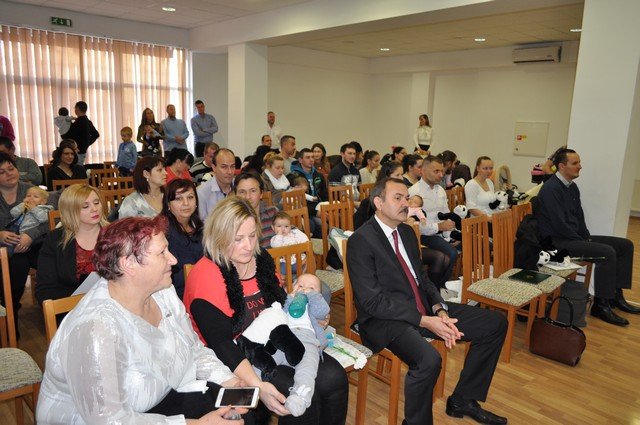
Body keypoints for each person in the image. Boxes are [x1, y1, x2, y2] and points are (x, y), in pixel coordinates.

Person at [36, 216, 246, 424]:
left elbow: (193, 348)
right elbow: (109, 420)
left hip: (163, 397)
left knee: (245, 414)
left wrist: (227, 380)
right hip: (102, 419)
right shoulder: (95, 329)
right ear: (129, 264)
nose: (173, 260)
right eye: (162, 253)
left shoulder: (162, 291)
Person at [347, 177, 508, 425]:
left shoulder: (407, 232)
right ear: (378, 202)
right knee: (428, 361)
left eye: (406, 197)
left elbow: (422, 279)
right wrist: (424, 320)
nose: (406, 203)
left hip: (422, 308)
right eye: (398, 198)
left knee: (495, 323)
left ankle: (463, 399)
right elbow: (372, 302)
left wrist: (439, 309)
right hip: (385, 319)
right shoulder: (361, 240)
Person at [183, 196, 349, 425]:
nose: (249, 246)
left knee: (335, 378)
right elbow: (222, 345)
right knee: (297, 397)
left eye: (252, 236)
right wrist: (258, 385)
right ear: (218, 237)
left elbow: (281, 303)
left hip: (276, 339)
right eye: (238, 239)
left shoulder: (260, 259)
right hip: (238, 355)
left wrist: (309, 317)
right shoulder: (205, 276)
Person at [536, 148, 640, 326]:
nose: (580, 166)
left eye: (579, 162)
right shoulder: (551, 189)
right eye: (575, 163)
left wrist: (586, 237)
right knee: (606, 252)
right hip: (557, 243)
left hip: (571, 238)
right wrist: (582, 241)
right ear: (562, 166)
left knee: (625, 245)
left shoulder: (572, 187)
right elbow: (559, 225)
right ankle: (601, 305)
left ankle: (616, 297)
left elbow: (579, 218)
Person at [35, 184, 107, 304]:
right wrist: (83, 298)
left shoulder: (116, 234)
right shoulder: (55, 240)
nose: (94, 209)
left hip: (115, 304)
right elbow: (44, 291)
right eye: (85, 206)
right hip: (73, 308)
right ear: (70, 210)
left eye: (96, 202)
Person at [408, 155, 459, 286]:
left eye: (441, 171)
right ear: (423, 171)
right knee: (451, 253)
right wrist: (439, 227)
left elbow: (446, 213)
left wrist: (452, 231)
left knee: (461, 244)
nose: (441, 175)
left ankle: (437, 287)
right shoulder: (414, 192)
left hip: (442, 232)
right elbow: (415, 224)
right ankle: (434, 288)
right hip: (423, 234)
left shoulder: (440, 189)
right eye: (436, 171)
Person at [162, 179, 203, 299]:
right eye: (178, 199)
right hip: (177, 294)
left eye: (190, 197)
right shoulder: (164, 232)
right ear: (168, 204)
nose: (186, 203)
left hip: (200, 288)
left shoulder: (200, 227)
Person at [234, 172, 279, 249]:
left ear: (261, 194)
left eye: (253, 191)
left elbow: (292, 234)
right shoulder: (231, 221)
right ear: (236, 195)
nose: (247, 197)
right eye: (242, 192)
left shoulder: (273, 213)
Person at [354, 160, 403, 230]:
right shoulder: (376, 199)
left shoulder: (401, 192)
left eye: (402, 174)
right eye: (397, 175)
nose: (401, 178)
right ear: (387, 177)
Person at [6, 186, 52, 256]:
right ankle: (8, 253)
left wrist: (33, 208)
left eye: (35, 196)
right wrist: (21, 206)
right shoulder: (24, 206)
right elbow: (13, 213)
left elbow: (44, 218)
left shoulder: (45, 208)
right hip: (17, 231)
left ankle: (11, 253)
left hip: (36, 236)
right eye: (28, 196)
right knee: (9, 243)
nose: (31, 198)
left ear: (43, 201)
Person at [197, 148, 236, 221]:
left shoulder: (240, 187)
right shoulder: (202, 193)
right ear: (214, 167)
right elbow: (202, 224)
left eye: (232, 166)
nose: (230, 172)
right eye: (224, 167)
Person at [270, 211, 310, 275]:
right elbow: (277, 246)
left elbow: (306, 241)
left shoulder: (295, 234)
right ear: (273, 227)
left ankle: (300, 276)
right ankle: (288, 278)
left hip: (298, 260)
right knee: (280, 270)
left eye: (286, 226)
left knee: (308, 264)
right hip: (284, 263)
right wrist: (279, 235)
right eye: (279, 226)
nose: (283, 229)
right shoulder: (274, 239)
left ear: (290, 227)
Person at [61, 101, 99, 165]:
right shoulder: (88, 122)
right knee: (79, 169)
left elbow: (66, 137)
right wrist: (86, 145)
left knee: (75, 170)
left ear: (77, 109)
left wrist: (62, 128)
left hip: (76, 153)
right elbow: (96, 135)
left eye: (75, 108)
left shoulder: (77, 123)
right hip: (82, 152)